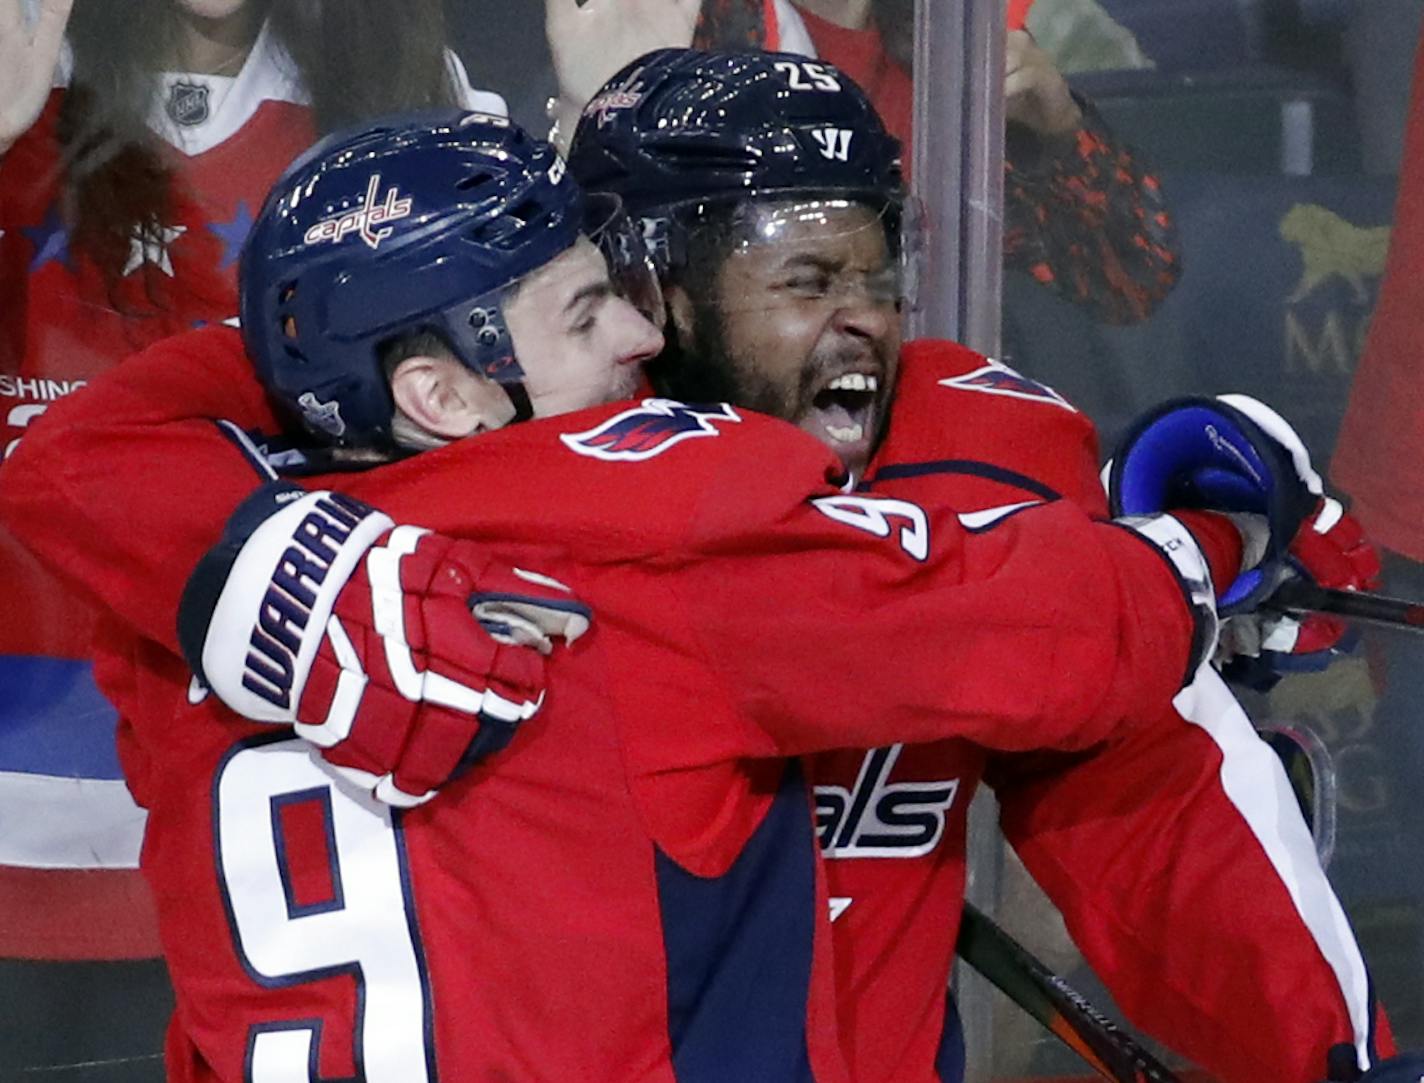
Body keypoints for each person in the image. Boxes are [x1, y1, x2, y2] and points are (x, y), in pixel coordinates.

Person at [0, 59, 1397, 1083]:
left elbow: (1153, 798)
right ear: (648, 279)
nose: (861, 323)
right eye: (800, 277)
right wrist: (1217, 537)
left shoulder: (220, 511)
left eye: (880, 266)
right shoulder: (664, 526)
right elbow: (1086, 630)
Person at [0, 0, 504, 977]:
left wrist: (585, 107)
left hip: (287, 836)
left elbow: (504, 427)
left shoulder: (406, 96)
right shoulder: (21, 62)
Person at [541, 0, 1181, 326]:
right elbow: (623, 318)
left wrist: (1058, 127)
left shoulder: (971, 35)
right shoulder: (680, 23)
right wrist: (592, 114)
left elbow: (1132, 281)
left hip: (930, 439)